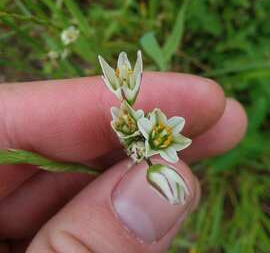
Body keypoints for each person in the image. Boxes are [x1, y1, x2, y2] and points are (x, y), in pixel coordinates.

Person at [0, 72, 247, 252]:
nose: (161, 135)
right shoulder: (141, 130)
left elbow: (166, 134)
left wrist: (150, 143)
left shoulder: (162, 138)